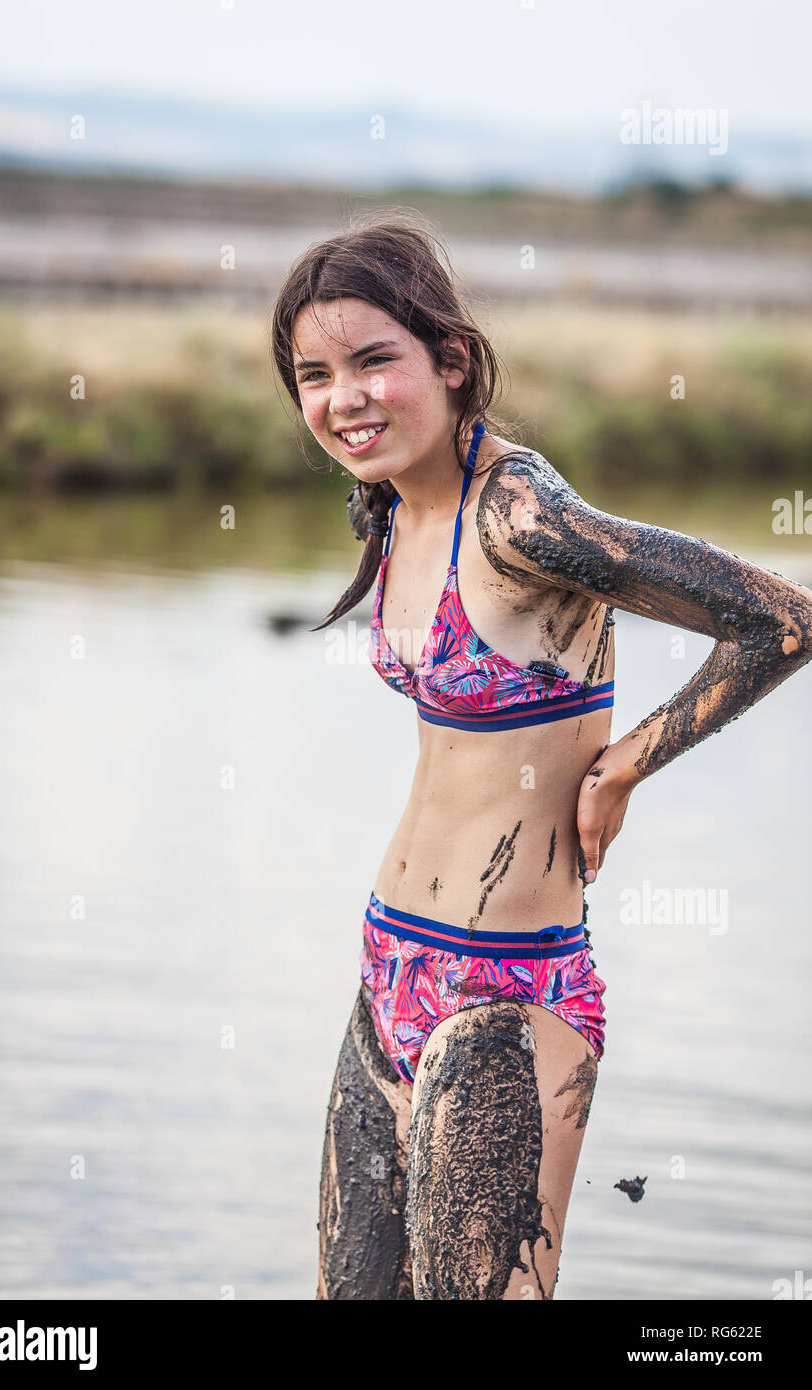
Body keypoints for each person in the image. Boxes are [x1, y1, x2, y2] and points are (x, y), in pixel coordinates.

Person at [270, 214, 812, 1301]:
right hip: (389, 966)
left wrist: (621, 767)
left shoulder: (518, 513)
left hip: (507, 996)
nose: (343, 399)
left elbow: (778, 619)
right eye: (313, 374)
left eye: (375, 360)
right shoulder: (390, 504)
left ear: (450, 359)